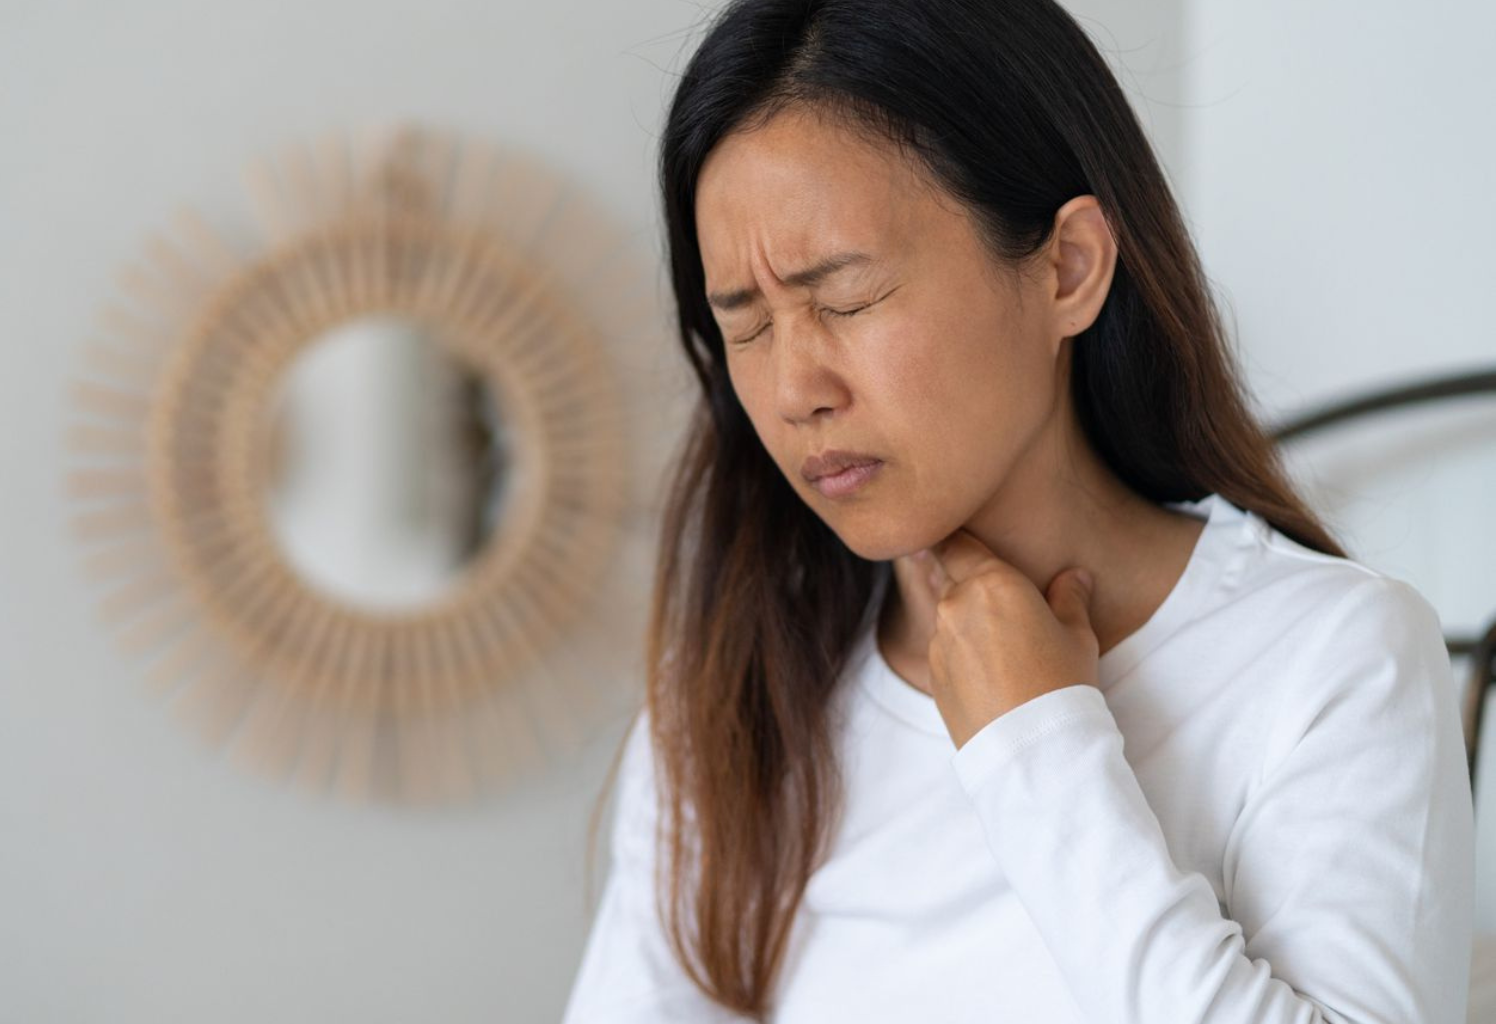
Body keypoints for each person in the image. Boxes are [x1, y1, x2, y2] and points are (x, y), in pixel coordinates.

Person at [559, 0, 1475, 1021]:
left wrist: (1036, 743)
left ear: (1067, 268)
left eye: (847, 297)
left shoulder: (1328, 660)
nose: (791, 388)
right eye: (746, 324)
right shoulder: (733, 702)